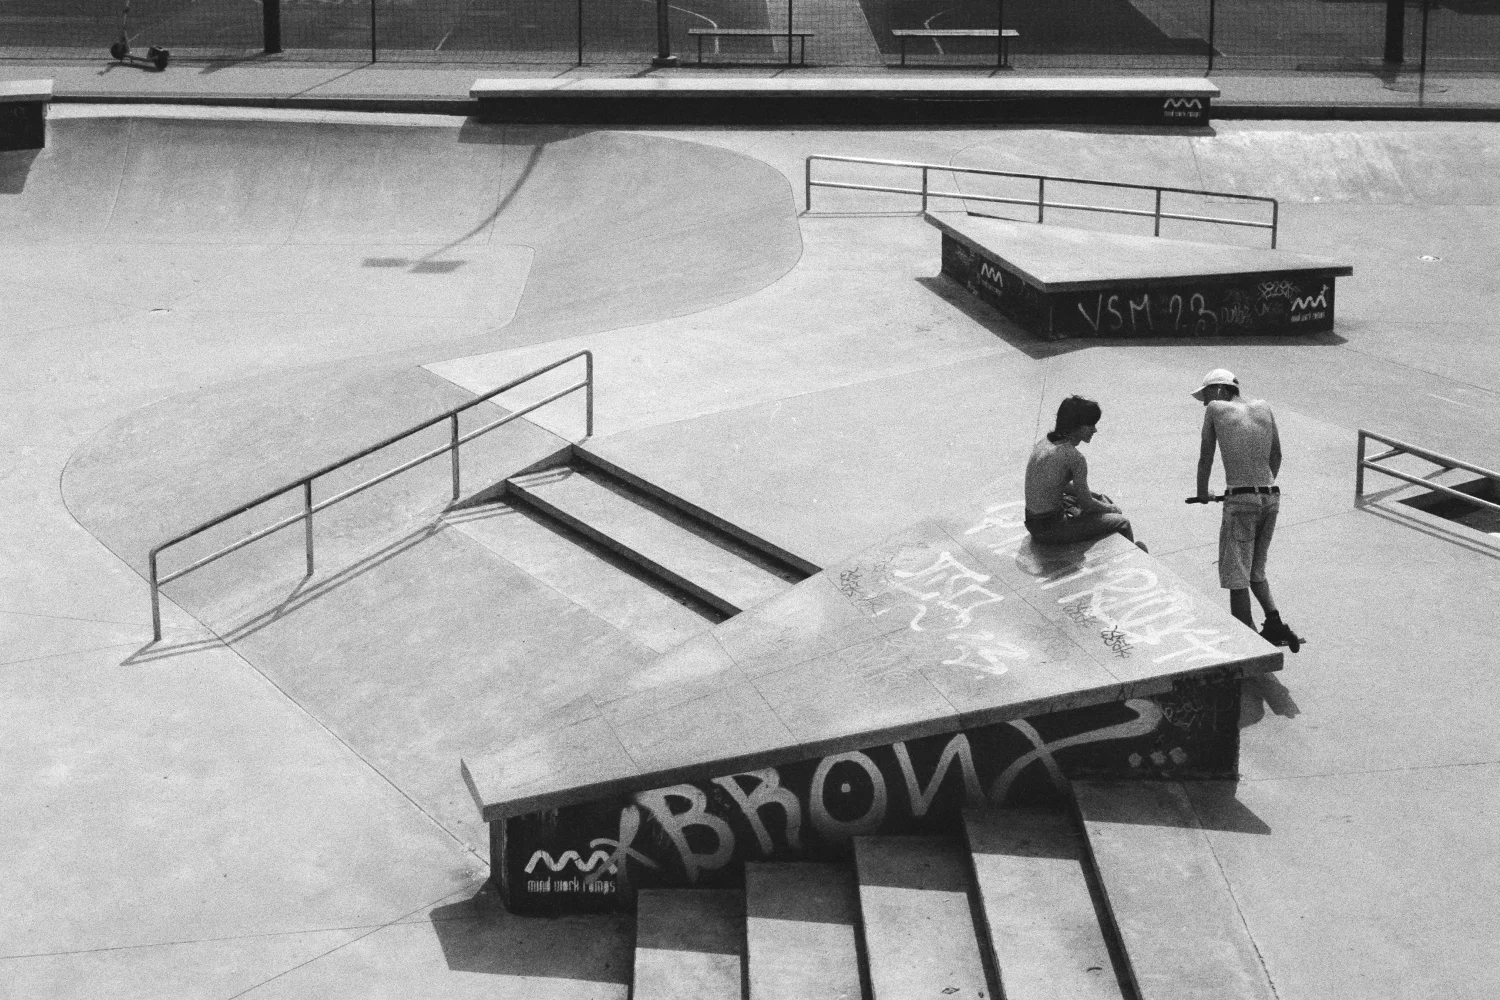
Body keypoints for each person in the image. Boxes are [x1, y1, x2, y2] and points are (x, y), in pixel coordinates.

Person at [1193, 369, 1303, 651]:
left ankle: (1248, 644)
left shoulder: (1217, 408)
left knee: (1236, 574)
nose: (1205, 403)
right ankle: (1275, 622)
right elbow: (1276, 456)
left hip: (1241, 503)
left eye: (1205, 396)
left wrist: (1203, 492)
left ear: (1218, 390)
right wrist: (1260, 489)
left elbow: (1206, 456)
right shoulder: (1263, 407)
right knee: (1256, 569)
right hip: (1271, 498)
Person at [1024, 395, 1146, 551]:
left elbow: (1054, 485)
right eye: (1091, 425)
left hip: (1033, 522)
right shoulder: (1074, 457)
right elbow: (1086, 504)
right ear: (1077, 426)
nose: (1095, 429)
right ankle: (1128, 554)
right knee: (1122, 522)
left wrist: (1096, 496)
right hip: (1052, 530)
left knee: (1102, 499)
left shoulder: (1044, 443)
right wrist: (1112, 509)